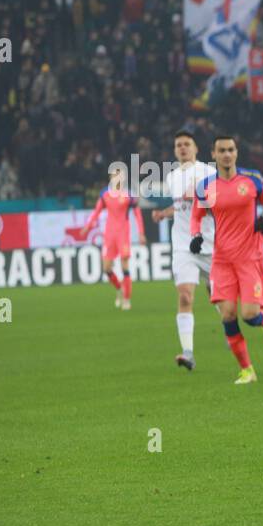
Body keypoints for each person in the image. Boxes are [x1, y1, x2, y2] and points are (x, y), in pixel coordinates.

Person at [189, 134, 263, 384]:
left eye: (231, 149)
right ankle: (247, 370)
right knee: (228, 315)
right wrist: (196, 235)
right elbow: (196, 216)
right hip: (222, 260)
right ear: (214, 154)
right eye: (222, 150)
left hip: (249, 257)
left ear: (236, 152)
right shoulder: (205, 187)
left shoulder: (253, 180)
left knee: (250, 315)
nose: (227, 154)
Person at [151, 129, 216, 370]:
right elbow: (180, 207)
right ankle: (188, 353)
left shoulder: (209, 172)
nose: (182, 148)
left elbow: (217, 207)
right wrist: (163, 214)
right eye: (178, 145)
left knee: (220, 301)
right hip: (182, 246)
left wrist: (200, 198)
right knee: (185, 296)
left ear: (196, 148)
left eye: (187, 144)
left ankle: (232, 336)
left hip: (209, 245)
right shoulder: (172, 177)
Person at [81, 168, 144, 310]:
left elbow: (137, 214)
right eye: (114, 176)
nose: (116, 178)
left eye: (119, 176)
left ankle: (127, 300)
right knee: (106, 268)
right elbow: (96, 212)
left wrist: (141, 233)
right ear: (110, 178)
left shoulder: (129, 195)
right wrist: (87, 227)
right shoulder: (105, 194)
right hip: (109, 235)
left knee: (125, 267)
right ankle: (119, 288)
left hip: (123, 234)